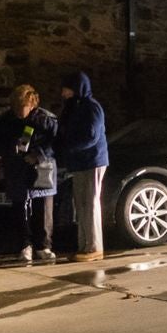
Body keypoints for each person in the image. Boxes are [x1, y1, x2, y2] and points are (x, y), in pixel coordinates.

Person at [0, 84, 59, 265]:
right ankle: (24, 245)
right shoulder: (6, 120)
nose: (17, 111)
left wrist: (38, 155)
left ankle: (44, 246)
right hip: (17, 169)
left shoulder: (46, 120)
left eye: (20, 107)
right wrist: (9, 151)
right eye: (14, 107)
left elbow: (56, 142)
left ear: (31, 103)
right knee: (19, 208)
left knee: (43, 209)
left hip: (42, 170)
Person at [55, 71, 108, 262]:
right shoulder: (73, 108)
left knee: (91, 203)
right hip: (79, 162)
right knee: (81, 204)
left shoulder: (91, 108)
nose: (63, 93)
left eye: (66, 88)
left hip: (92, 161)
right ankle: (84, 245)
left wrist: (70, 148)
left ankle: (94, 246)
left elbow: (91, 136)